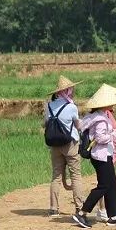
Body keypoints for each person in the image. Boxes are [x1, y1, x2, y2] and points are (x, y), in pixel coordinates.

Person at [74, 84, 116, 228]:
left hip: (104, 155)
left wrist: (115, 134)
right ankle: (82, 212)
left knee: (112, 185)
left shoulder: (98, 116)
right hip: (101, 156)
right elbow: (100, 138)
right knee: (104, 185)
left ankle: (112, 216)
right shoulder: (100, 119)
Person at [44, 75, 85, 216]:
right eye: (71, 89)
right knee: (76, 176)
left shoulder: (49, 105)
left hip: (54, 145)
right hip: (70, 144)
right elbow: (77, 125)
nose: (72, 91)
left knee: (55, 176)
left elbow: (45, 123)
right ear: (67, 90)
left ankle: (53, 208)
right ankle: (79, 207)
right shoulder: (71, 106)